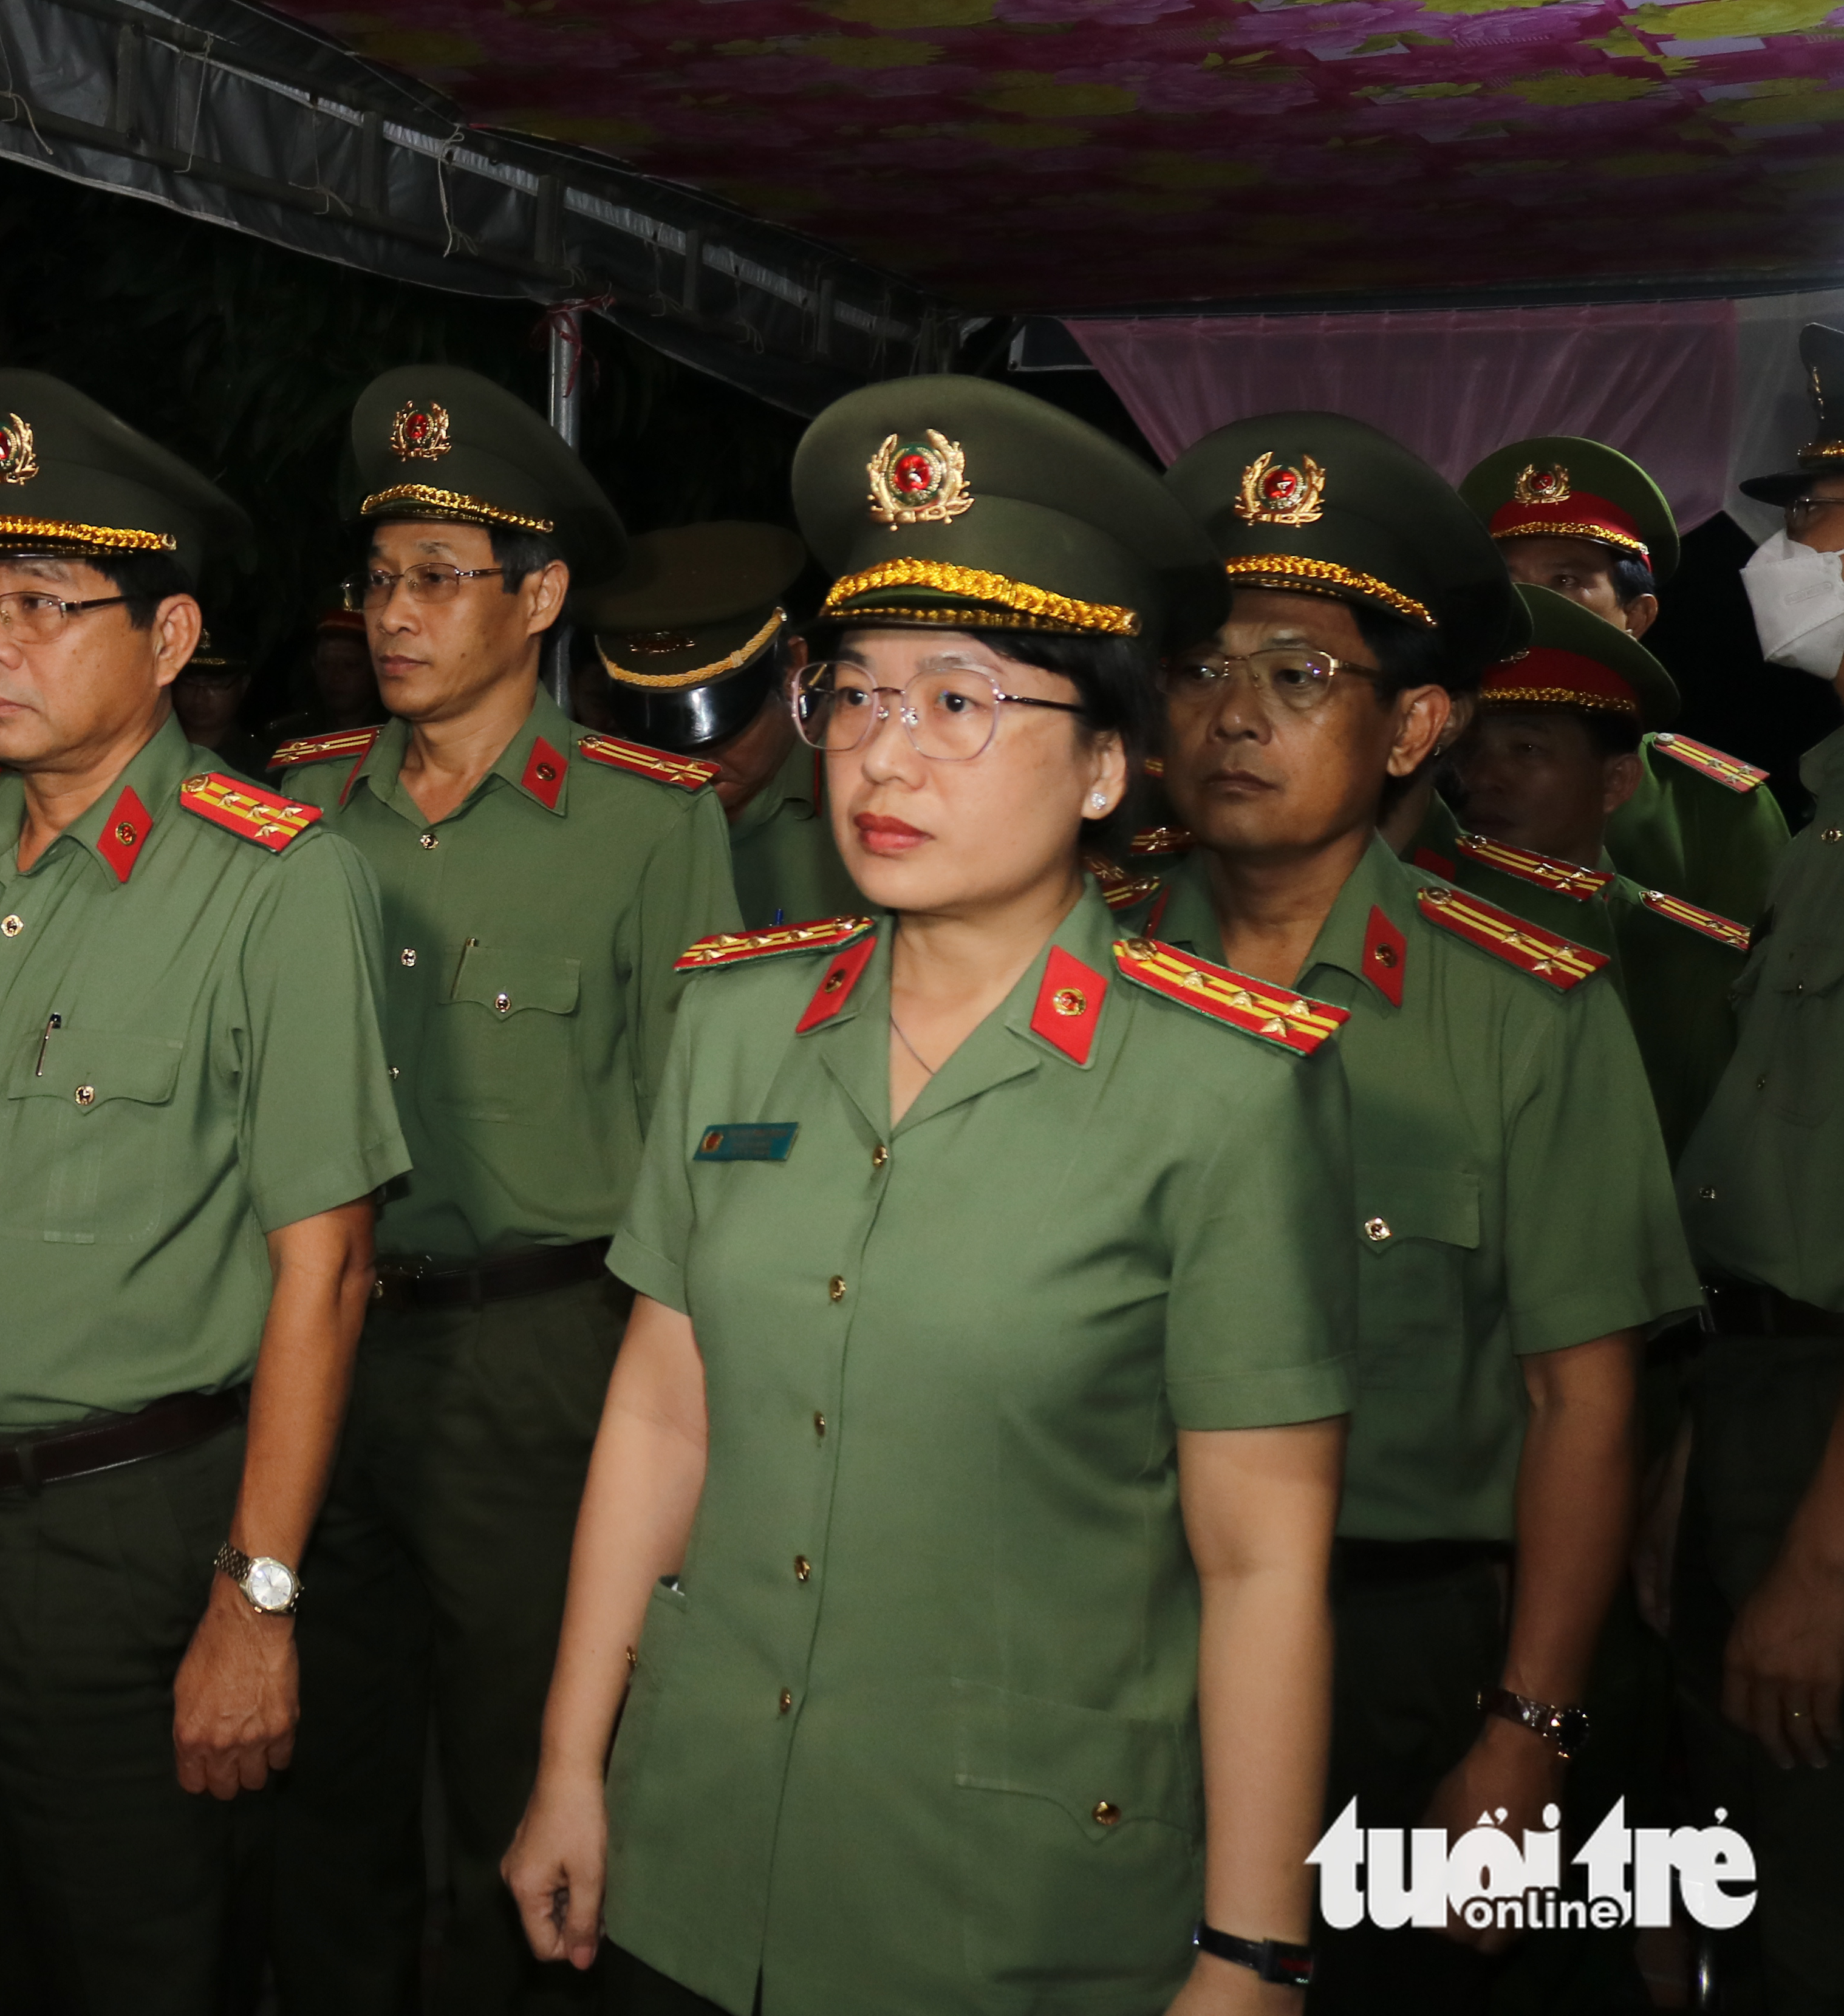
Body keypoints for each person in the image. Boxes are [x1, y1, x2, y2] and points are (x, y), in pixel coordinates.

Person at [502, 376, 1358, 2014]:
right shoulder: (737, 1024)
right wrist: (570, 1761)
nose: (884, 754)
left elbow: (1261, 1563)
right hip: (698, 1853)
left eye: (959, 701)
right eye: (857, 694)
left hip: (1005, 1902)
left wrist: (1255, 1950)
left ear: (1104, 766)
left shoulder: (1224, 1094)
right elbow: (664, 1415)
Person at [0, 370, 408, 2016]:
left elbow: (327, 1267)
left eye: (45, 605)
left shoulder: (276, 884)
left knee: (139, 1964)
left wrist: (258, 1601)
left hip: (121, 1541)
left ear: (170, 637)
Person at [1139, 418, 1696, 2012]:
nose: (1237, 713)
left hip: (1405, 1655)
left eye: (1302, 676)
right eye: (1203, 668)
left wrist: (1528, 1736)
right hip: (1117, 1628)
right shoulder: (1075, 976)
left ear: (1416, 726)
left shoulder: (1524, 1010)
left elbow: (1583, 1403)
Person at [261, 369, 739, 2016]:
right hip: (315, 1345)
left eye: (438, 577)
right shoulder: (300, 805)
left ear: (539, 600)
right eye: (378, 577)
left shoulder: (648, 827)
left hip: (534, 1361)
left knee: (519, 1781)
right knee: (319, 1777)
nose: (393, 613)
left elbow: (697, 1144)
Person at [1663, 373, 1844, 2016]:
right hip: (1750, 1383)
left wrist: (1823, 1562)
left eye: (1834, 528)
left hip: (1823, 1432)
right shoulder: (1825, 808)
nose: (1794, 558)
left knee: (1807, 1902)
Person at [1430, 588, 1749, 1156]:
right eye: (1466, 748)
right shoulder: (1406, 918)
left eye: (1527, 749)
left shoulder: (1696, 965)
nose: (1482, 778)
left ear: (1616, 782)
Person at [1460, 436, 1786, 924]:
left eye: (1565, 581)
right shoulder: (1423, 770)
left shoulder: (1709, 806)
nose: (1529, 604)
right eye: (1510, 582)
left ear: (1637, 617)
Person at [576, 520, 858, 930]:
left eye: (718, 723)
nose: (688, 758)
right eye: (660, 726)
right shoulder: (597, 820)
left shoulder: (868, 796)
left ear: (791, 670)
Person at [263, 602, 379, 752]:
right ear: (314, 665)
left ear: (375, 668)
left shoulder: (395, 735)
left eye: (350, 665)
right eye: (326, 665)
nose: (335, 677)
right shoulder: (287, 738)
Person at [175, 630, 271, 777]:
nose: (199, 697)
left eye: (215, 685)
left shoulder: (261, 764)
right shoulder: (152, 749)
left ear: (243, 685)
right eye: (189, 683)